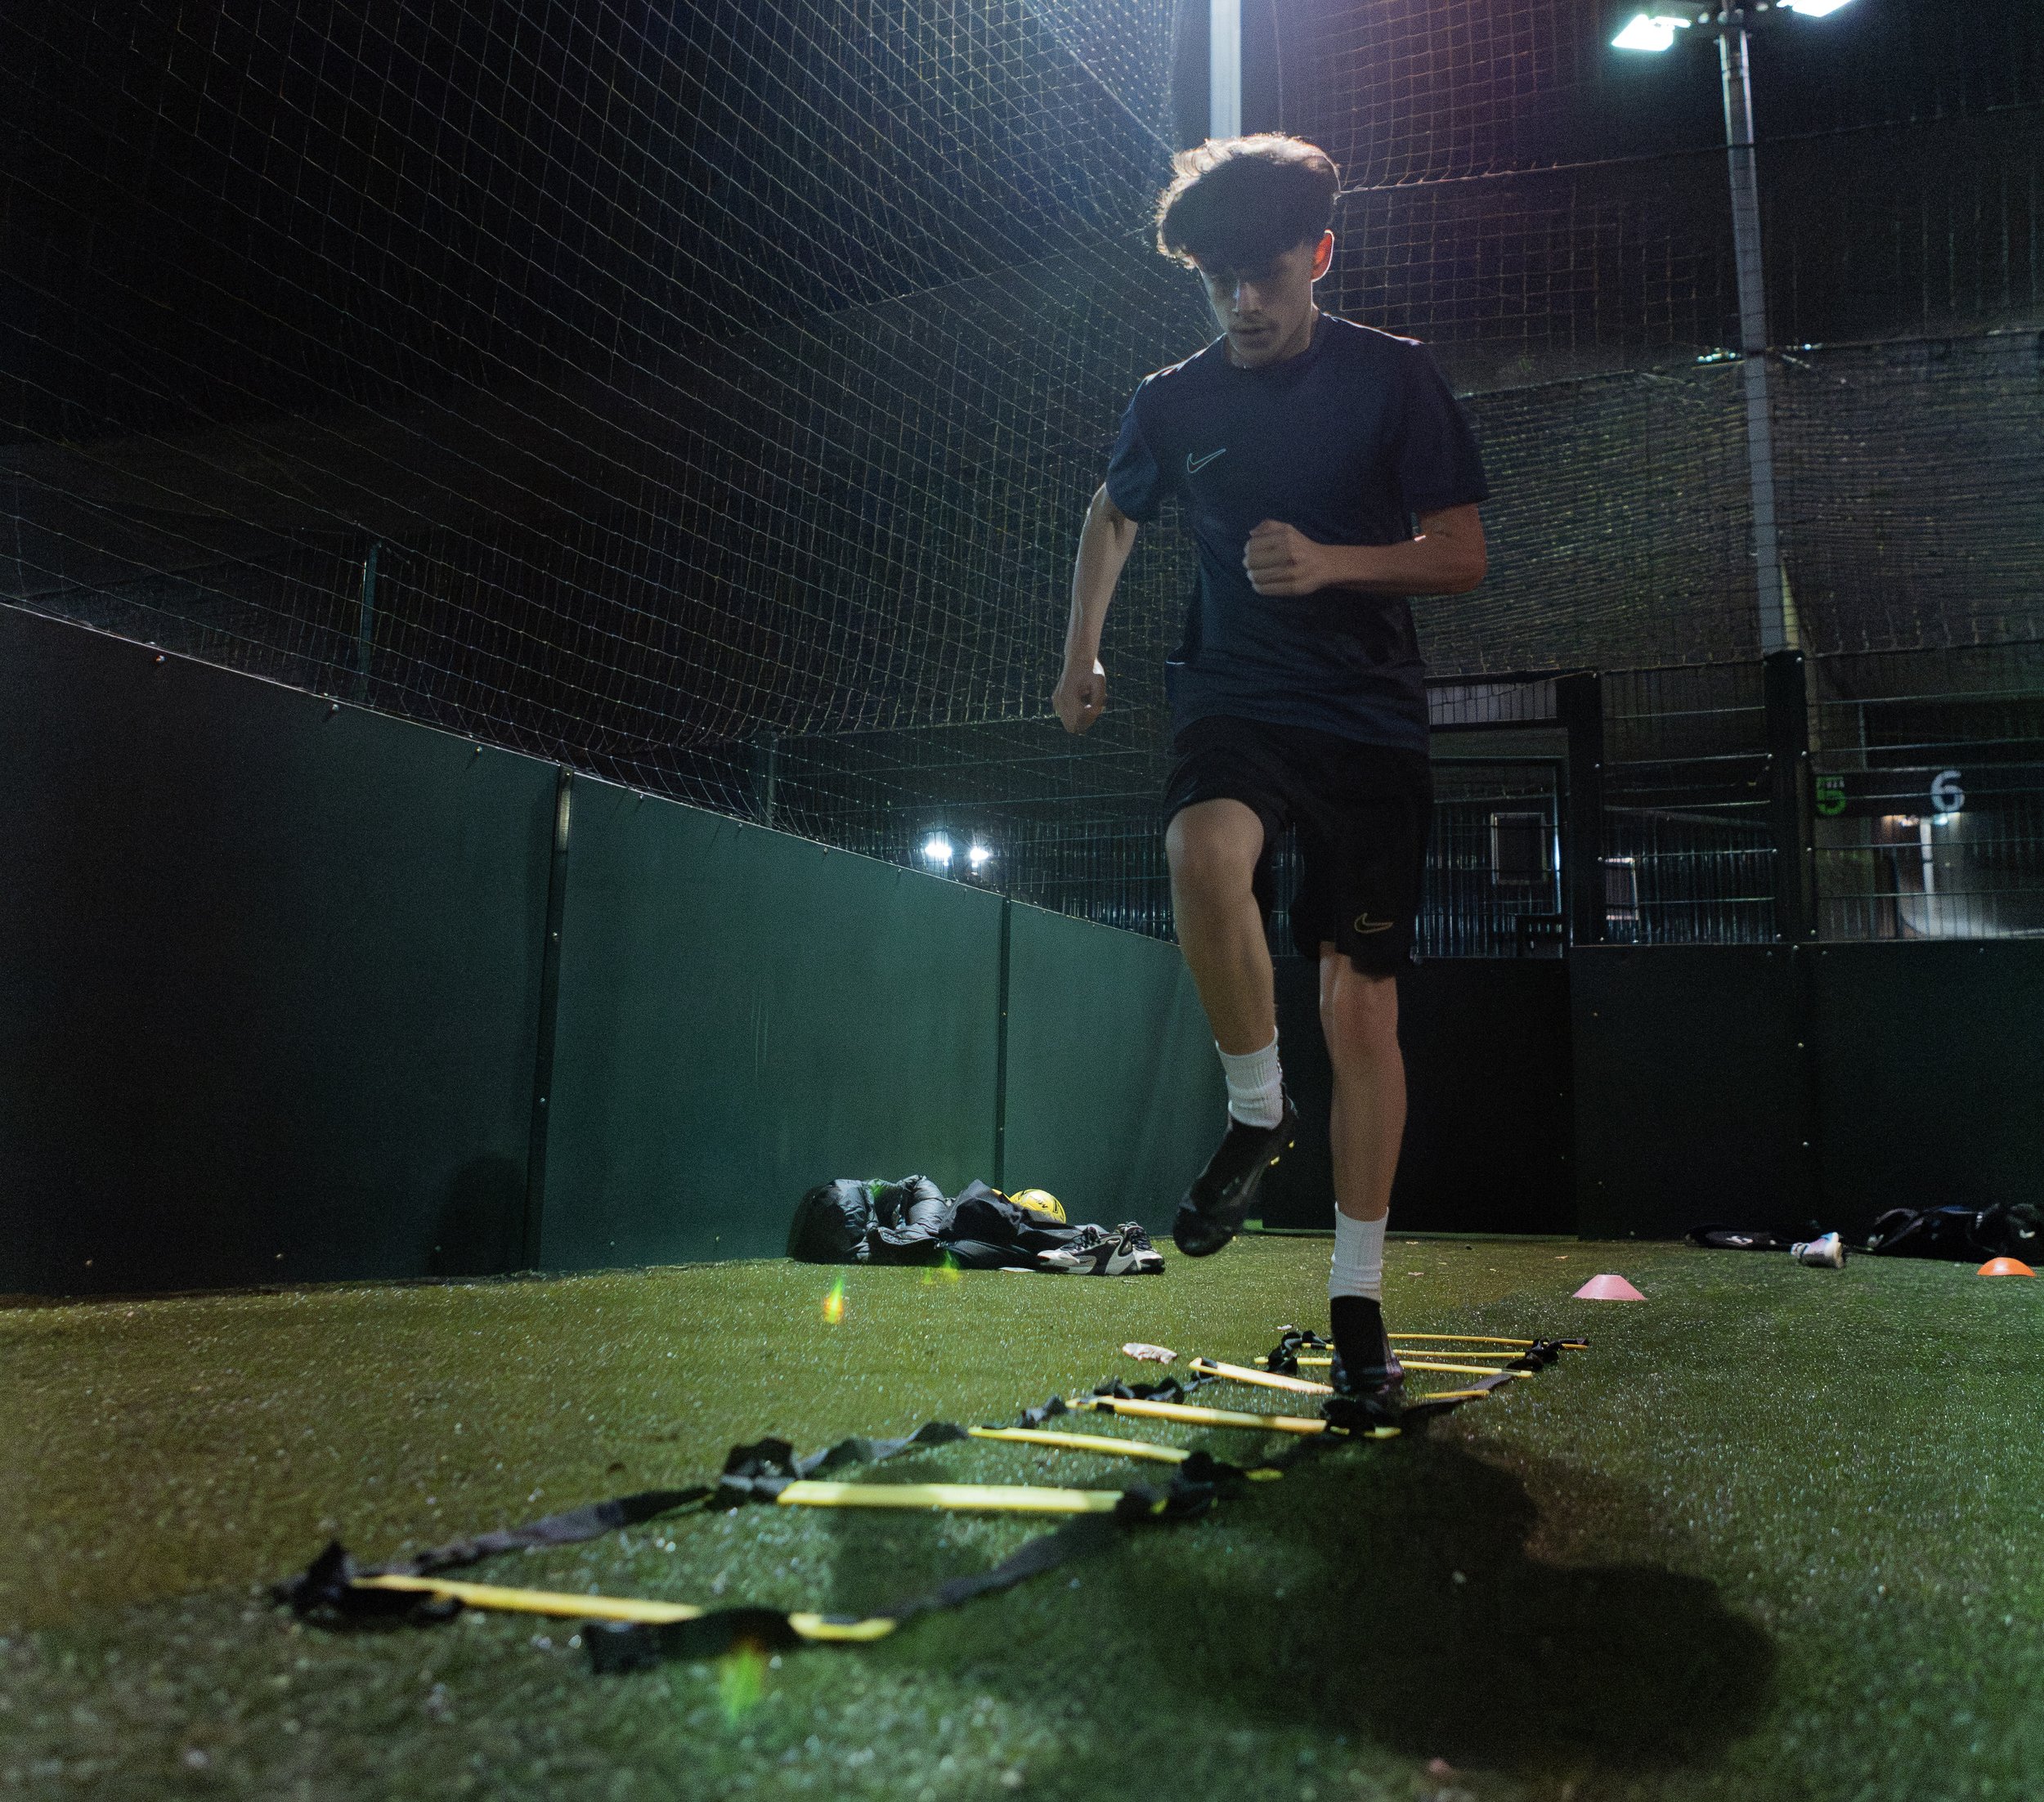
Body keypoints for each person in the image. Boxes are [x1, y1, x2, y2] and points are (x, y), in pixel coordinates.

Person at [1051, 135, 1489, 1424]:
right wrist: (1080, 653)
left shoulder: (1397, 381)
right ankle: (1257, 1113)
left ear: (1320, 257)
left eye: (1268, 274)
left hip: (1367, 720)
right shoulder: (1173, 399)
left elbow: (1459, 555)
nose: (1245, 301)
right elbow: (1113, 510)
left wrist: (1335, 563)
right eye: (1221, 278)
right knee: (1199, 853)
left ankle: (1359, 1299)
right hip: (1235, 700)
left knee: (1361, 1011)